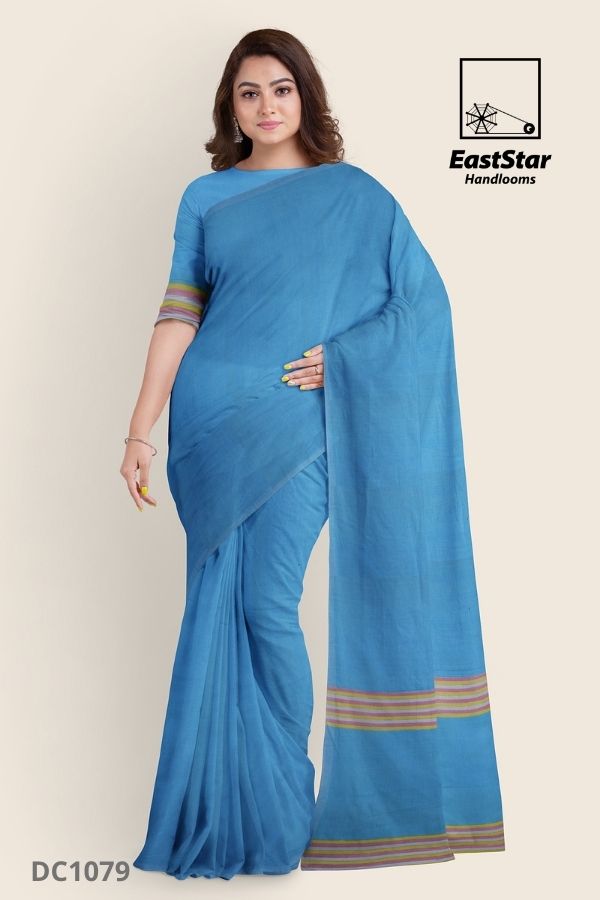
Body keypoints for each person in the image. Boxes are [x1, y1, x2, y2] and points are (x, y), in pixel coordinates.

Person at [122, 28, 505, 881]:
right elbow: (179, 314)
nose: (266, 106)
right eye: (249, 92)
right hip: (209, 427)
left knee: (266, 603)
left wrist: (347, 358)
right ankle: (228, 817)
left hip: (306, 424)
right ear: (231, 106)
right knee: (219, 609)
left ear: (306, 97)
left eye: (281, 89)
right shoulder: (205, 197)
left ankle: (282, 804)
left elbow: (424, 307)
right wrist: (141, 428)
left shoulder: (356, 196)